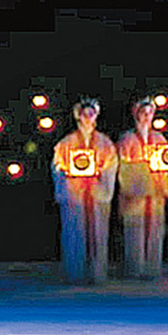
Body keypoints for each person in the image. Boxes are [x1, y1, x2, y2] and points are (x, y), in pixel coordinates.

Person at [51, 97, 118, 284]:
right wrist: (69, 176)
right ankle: (76, 272)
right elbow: (57, 167)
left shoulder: (105, 143)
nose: (88, 116)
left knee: (98, 233)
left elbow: (111, 166)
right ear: (78, 115)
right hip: (76, 195)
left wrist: (99, 176)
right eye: (85, 113)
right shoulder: (67, 142)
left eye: (92, 113)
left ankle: (97, 273)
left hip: (96, 195)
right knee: (75, 233)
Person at [116, 96, 168, 278]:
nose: (146, 116)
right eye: (143, 112)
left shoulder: (159, 138)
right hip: (136, 194)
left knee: (155, 228)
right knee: (134, 229)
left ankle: (152, 266)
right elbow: (122, 166)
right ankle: (135, 268)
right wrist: (142, 172)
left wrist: (166, 174)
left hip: (155, 193)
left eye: (150, 113)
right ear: (136, 114)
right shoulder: (127, 139)